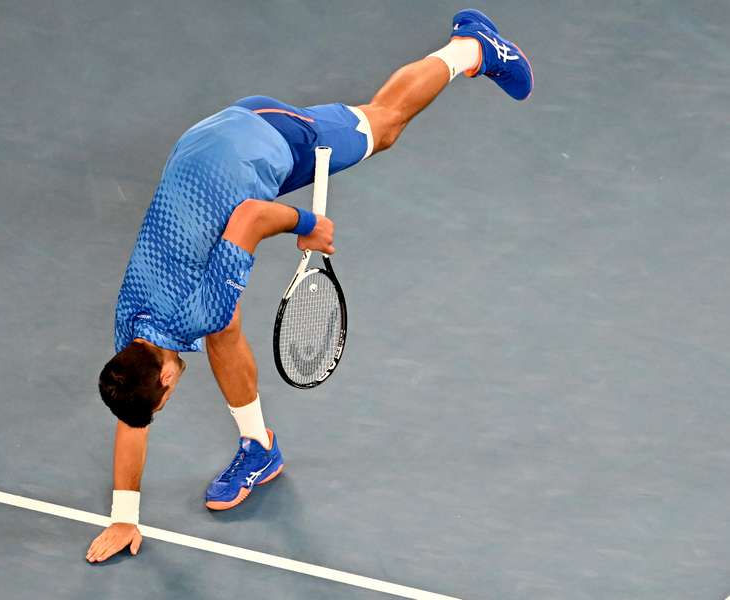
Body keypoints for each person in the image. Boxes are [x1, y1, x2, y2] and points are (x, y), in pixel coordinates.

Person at [86, 9, 532, 562]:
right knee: (224, 330)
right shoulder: (131, 323)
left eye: (164, 400)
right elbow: (135, 413)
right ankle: (259, 448)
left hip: (269, 137)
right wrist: (124, 518)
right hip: (211, 142)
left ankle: (472, 49)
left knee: (384, 124)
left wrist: (307, 226)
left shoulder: (192, 314)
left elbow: (250, 218)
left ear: (169, 380)